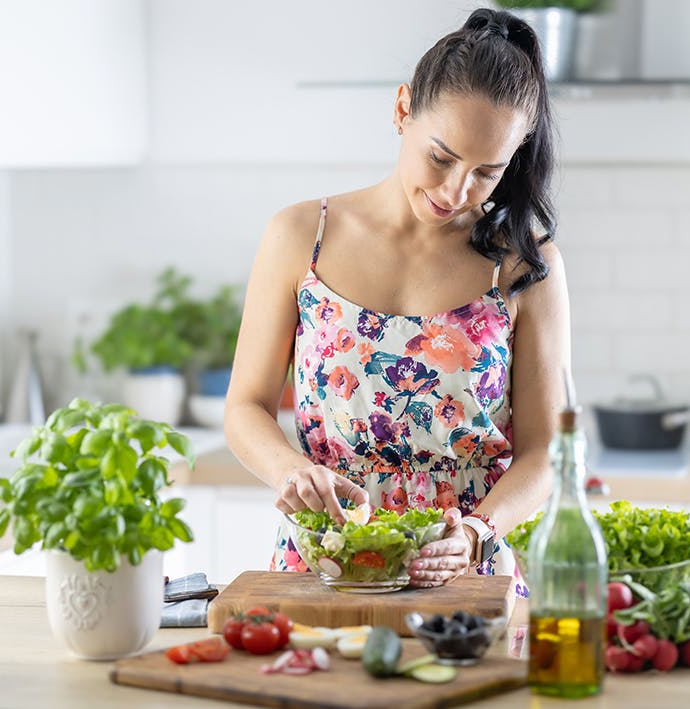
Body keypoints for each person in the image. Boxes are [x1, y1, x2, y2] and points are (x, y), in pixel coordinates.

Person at [224, 7, 570, 593]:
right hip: (325, 564)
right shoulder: (299, 236)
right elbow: (244, 408)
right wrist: (295, 473)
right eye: (440, 157)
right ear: (403, 109)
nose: (454, 191)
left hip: (462, 575)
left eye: (487, 172)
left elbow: (544, 455)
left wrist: (478, 533)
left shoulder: (525, 265)